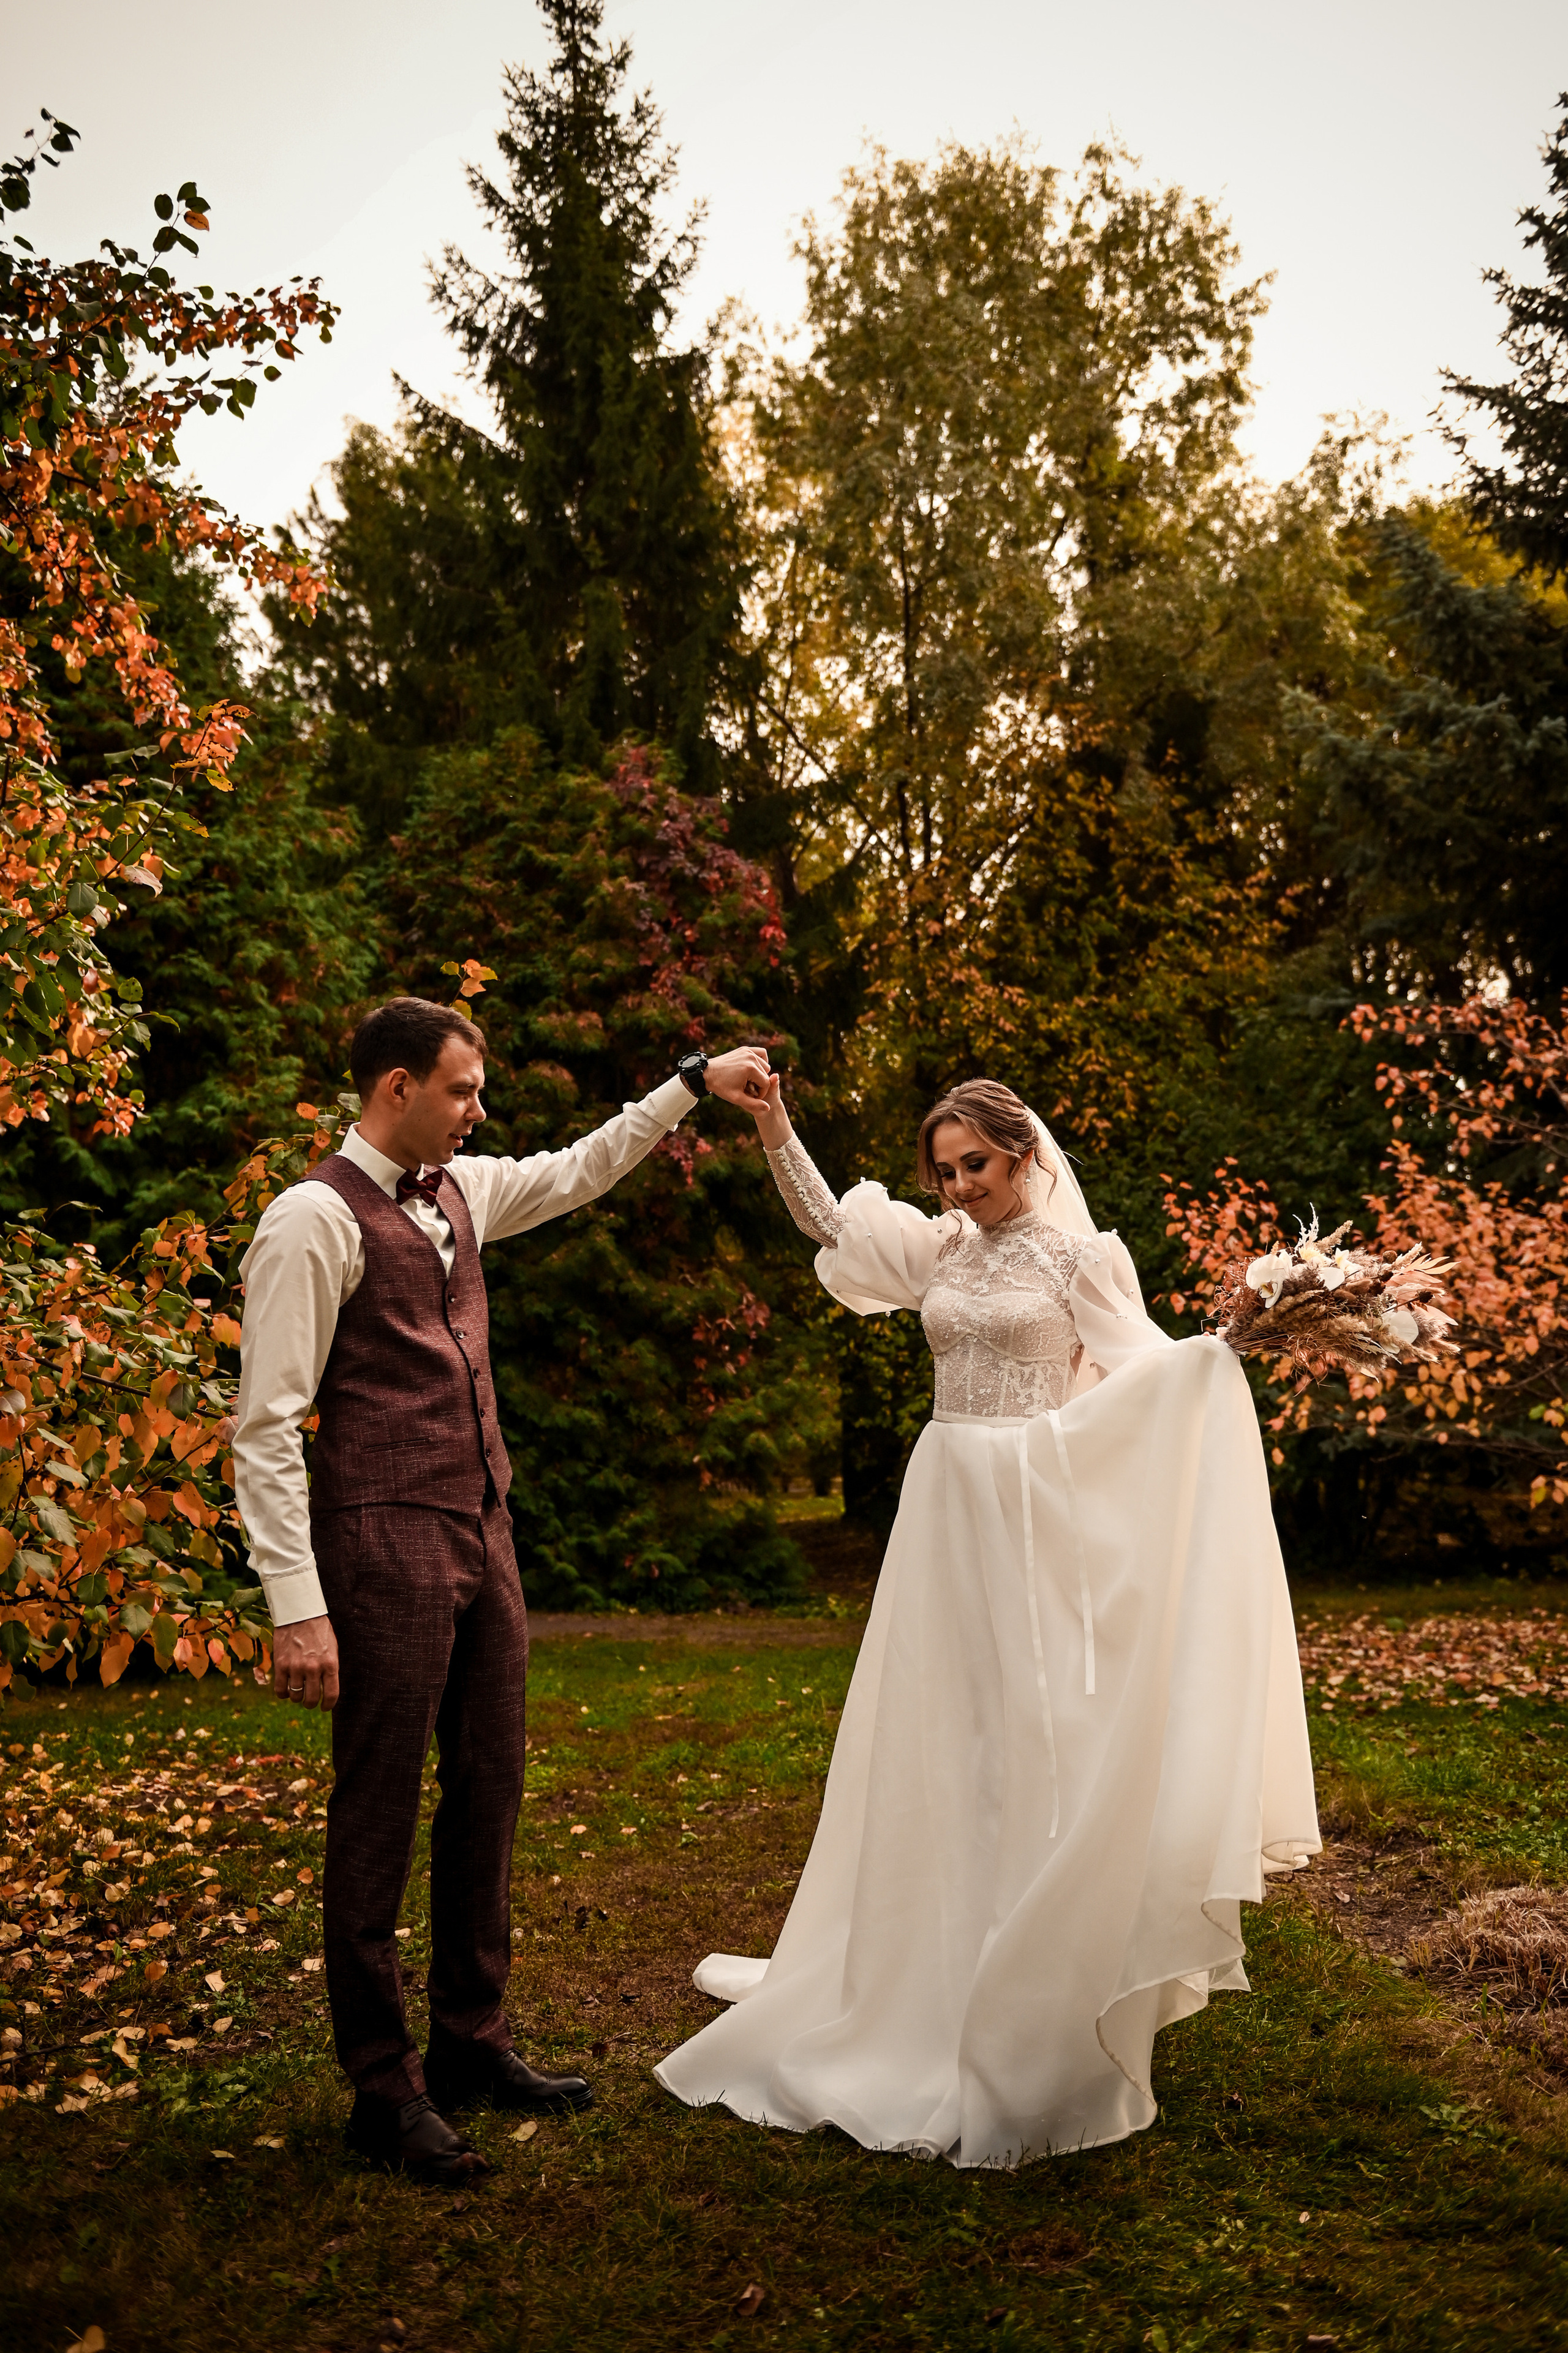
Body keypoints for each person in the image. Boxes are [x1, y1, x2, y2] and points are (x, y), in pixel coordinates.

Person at [655, 1076, 1320, 2169]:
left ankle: (1028, 1960)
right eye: (945, 1169)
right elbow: (829, 1224)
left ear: (1021, 1154)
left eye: (976, 1164)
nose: (960, 1185)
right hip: (943, 1509)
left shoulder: (1080, 1259)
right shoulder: (941, 1249)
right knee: (940, 1725)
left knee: (1028, 1727)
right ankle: (916, 1950)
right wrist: (773, 1124)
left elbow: (1142, 1370)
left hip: (1030, 1510)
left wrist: (1218, 1355)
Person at [232, 996, 770, 2183]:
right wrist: (295, 1602)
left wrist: (689, 1081)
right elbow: (265, 1426)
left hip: (483, 1526)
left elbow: (584, 1165)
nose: (480, 1110)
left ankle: (470, 2041)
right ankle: (383, 2089)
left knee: (490, 1784)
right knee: (378, 1807)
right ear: (397, 1088)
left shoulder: (465, 1190)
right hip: (380, 1537)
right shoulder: (312, 1218)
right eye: (463, 1089)